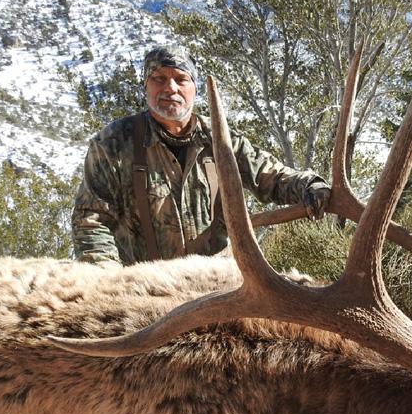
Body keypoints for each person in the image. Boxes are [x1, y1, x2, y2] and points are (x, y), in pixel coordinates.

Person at [72, 45, 330, 264]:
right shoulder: (112, 144)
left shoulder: (220, 139)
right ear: (145, 86)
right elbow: (91, 220)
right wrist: (107, 275)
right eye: (159, 79)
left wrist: (310, 185)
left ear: (194, 88)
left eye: (181, 79)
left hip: (216, 284)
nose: (170, 88)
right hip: (146, 289)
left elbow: (270, 176)